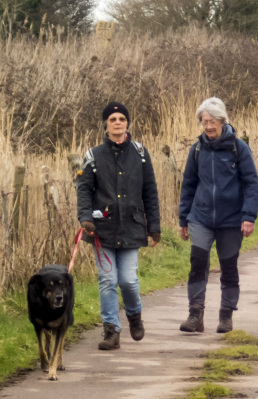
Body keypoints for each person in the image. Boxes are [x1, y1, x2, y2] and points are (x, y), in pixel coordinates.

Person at [76, 102, 161, 350]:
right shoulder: (93, 156)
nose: (117, 122)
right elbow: (84, 190)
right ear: (106, 124)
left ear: (127, 123)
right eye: (112, 119)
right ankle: (111, 330)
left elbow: (150, 192)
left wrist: (153, 225)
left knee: (128, 281)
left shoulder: (141, 153)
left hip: (132, 227)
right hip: (101, 229)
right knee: (107, 280)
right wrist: (85, 218)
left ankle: (134, 316)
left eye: (121, 118)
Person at [178, 97, 258, 334]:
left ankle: (226, 315)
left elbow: (251, 184)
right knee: (198, 264)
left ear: (223, 121)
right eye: (204, 121)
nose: (208, 126)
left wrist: (248, 216)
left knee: (229, 266)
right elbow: (188, 185)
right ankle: (195, 315)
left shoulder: (238, 148)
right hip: (201, 217)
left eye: (212, 121)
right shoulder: (198, 149)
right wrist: (184, 218)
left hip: (231, 219)